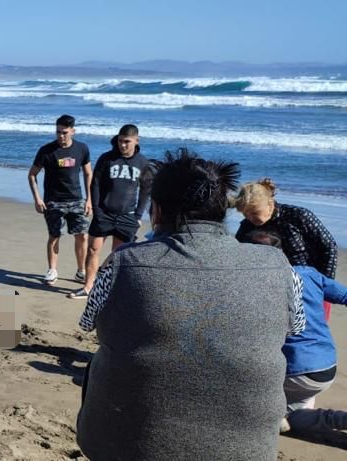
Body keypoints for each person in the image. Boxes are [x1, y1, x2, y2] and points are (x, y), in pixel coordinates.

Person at [76, 149, 304, 460]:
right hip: (249, 449)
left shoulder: (123, 262)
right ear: (223, 211)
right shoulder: (279, 265)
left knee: (99, 361)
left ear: (156, 211)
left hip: (128, 446)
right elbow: (296, 327)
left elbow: (88, 321)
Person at [246, 230, 347, 434]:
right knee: (293, 414)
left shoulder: (258, 284)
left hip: (296, 371)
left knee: (254, 411)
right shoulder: (309, 274)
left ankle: (286, 416)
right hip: (326, 366)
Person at [68, 124, 151, 299]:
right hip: (104, 213)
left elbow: (145, 189)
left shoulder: (143, 163)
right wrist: (97, 209)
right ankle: (88, 287)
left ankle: (110, 290)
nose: (123, 145)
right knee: (93, 249)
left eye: (127, 142)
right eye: (120, 141)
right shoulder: (107, 158)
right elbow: (95, 184)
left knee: (118, 255)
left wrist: (138, 215)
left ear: (136, 141)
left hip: (127, 216)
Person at [27, 114, 92, 285]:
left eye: (64, 132)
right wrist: (37, 199)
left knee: (82, 236)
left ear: (73, 131)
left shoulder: (82, 149)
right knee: (54, 236)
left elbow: (88, 174)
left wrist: (89, 200)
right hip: (53, 201)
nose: (61, 136)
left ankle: (81, 271)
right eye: (58, 132)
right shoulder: (46, 151)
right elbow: (32, 175)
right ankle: (52, 270)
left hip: (77, 200)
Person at [235, 178, 337, 278]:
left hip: (307, 276)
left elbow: (329, 246)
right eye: (245, 214)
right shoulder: (246, 226)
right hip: (268, 278)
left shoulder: (298, 215)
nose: (250, 218)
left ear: (270, 203)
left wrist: (324, 281)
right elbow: (237, 253)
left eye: (255, 213)